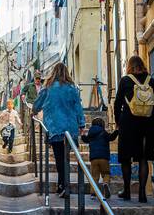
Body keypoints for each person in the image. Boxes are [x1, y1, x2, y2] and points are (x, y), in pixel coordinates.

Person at [33, 63, 86, 197]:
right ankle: (63, 184)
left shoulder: (48, 88)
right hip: (70, 128)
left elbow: (37, 105)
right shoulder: (72, 89)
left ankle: (62, 185)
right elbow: (78, 108)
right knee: (65, 157)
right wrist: (81, 125)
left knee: (59, 157)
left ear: (54, 73)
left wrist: (34, 111)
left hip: (55, 127)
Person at [114, 54, 154, 202]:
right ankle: (142, 193)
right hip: (147, 123)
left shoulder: (126, 80)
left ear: (130, 66)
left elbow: (117, 103)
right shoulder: (151, 81)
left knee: (126, 158)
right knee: (143, 159)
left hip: (128, 123)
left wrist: (118, 121)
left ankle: (127, 191)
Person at [81, 117, 118, 197]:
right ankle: (105, 183)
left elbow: (85, 140)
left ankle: (93, 193)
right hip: (104, 158)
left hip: (94, 158)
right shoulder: (104, 132)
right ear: (102, 125)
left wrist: (82, 134)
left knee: (94, 176)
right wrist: (117, 131)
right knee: (106, 173)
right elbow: (111, 138)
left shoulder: (91, 133)